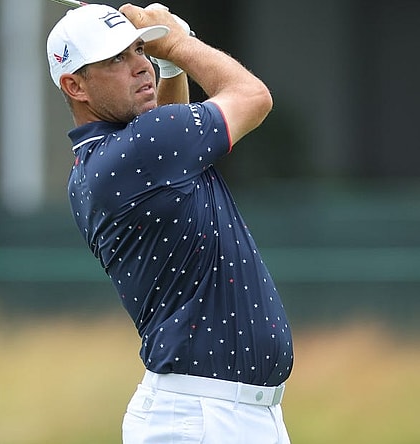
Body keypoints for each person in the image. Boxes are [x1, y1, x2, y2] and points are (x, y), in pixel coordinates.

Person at [46, 3, 293, 443]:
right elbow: (254, 97)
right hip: (202, 418)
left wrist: (168, 63)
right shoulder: (141, 147)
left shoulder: (102, 162)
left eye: (140, 50)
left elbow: (173, 145)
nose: (140, 65)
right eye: (116, 59)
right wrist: (177, 43)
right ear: (74, 85)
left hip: (213, 414)